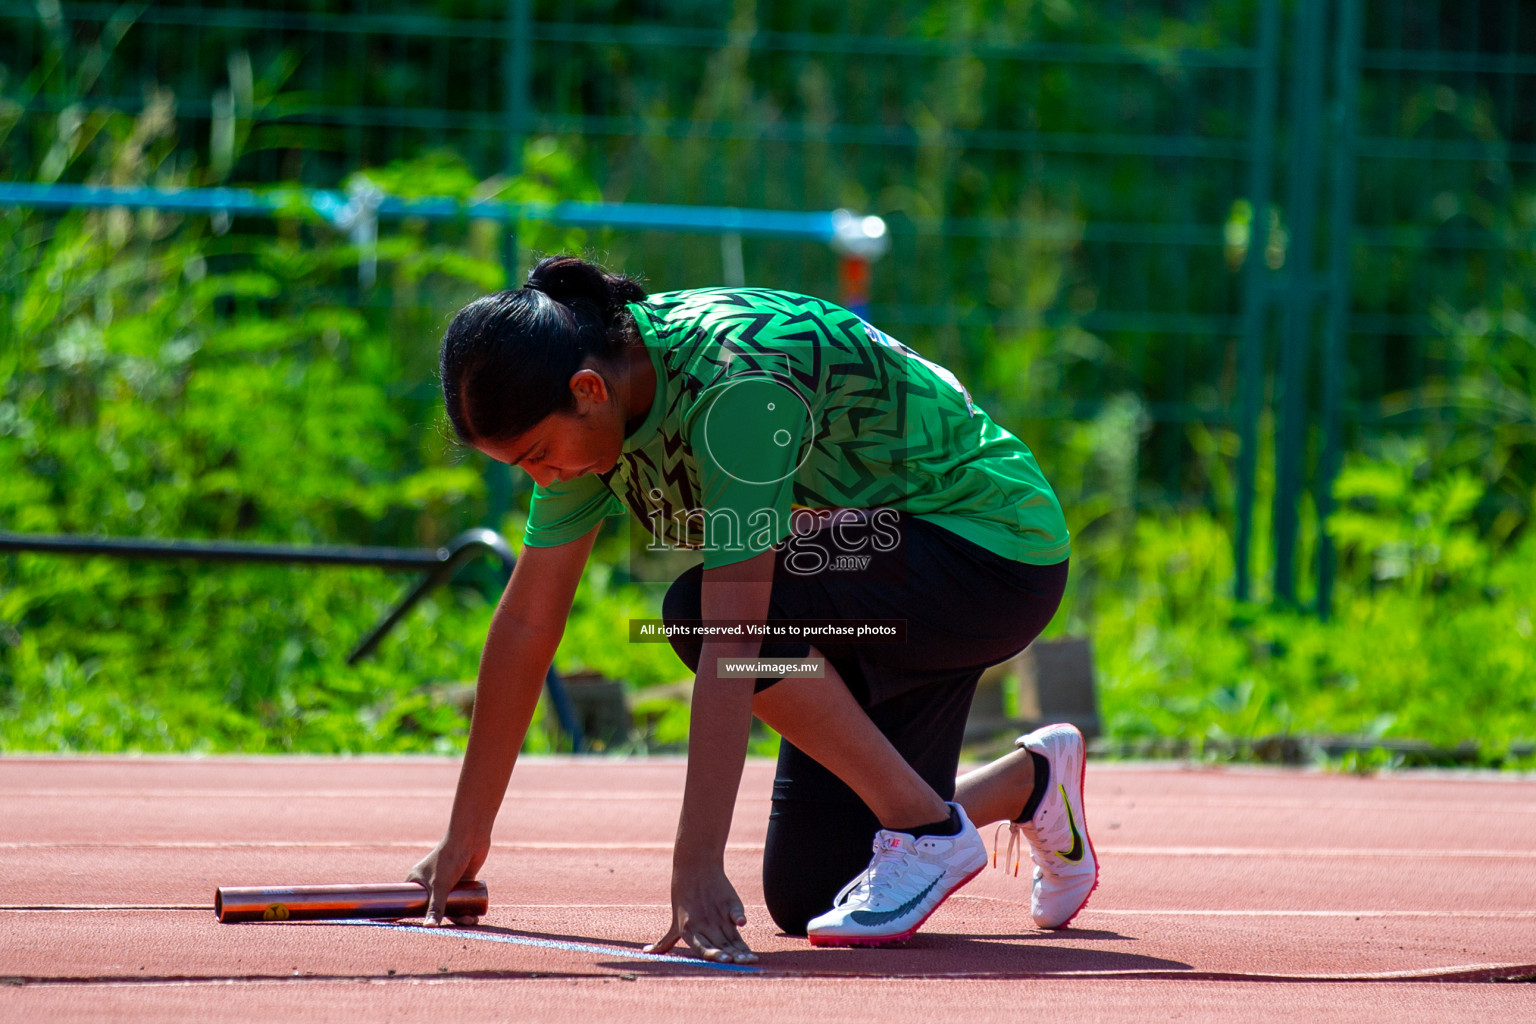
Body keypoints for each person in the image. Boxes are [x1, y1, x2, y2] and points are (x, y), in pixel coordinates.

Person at [408, 254, 1097, 962]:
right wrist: (467, 831)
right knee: (810, 895)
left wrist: (696, 862)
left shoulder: (735, 388)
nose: (542, 478)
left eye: (538, 455)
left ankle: (924, 829)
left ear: (587, 390)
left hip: (989, 554)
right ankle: (1027, 782)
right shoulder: (590, 412)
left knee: (697, 610)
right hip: (867, 569)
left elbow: (734, 633)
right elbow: (528, 622)